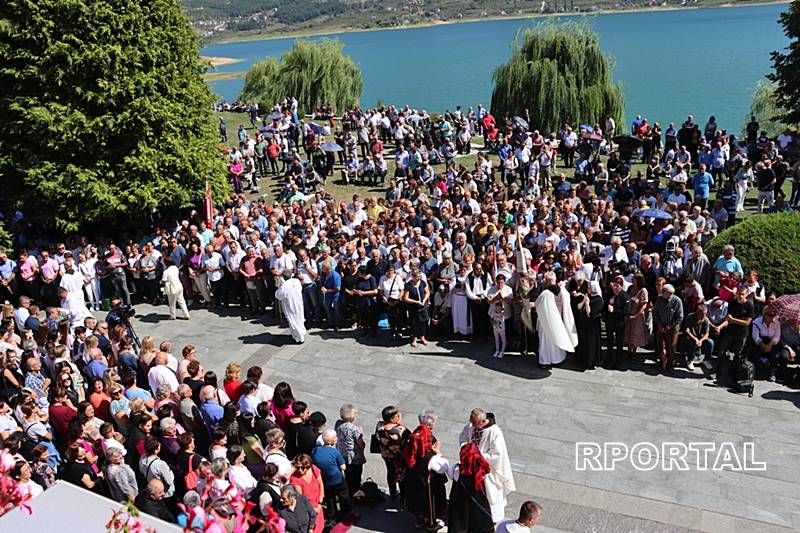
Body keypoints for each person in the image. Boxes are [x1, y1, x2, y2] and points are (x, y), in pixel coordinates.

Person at [459, 408, 515, 523]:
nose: (471, 425)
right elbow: (463, 437)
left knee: (491, 496)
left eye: (474, 423)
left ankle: (492, 518)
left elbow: (497, 455)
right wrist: (467, 449)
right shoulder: (471, 425)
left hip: (488, 471)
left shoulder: (495, 432)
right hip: (472, 466)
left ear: (482, 422)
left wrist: (477, 455)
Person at [403, 409, 448, 531]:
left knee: (417, 501)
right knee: (430, 504)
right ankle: (431, 524)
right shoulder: (429, 457)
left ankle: (419, 519)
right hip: (427, 484)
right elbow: (443, 467)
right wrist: (438, 452)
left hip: (414, 479)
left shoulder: (414, 437)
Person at [534, 272, 578, 368]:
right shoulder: (563, 291)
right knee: (558, 338)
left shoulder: (545, 294)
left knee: (546, 342)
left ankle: (545, 361)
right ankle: (557, 359)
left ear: (546, 281)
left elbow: (538, 305)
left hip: (546, 322)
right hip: (560, 320)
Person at [653, 284, 683, 374]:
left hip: (672, 328)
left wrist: (670, 326)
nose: (661, 293)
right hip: (661, 326)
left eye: (664, 292)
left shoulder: (677, 301)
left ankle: (670, 365)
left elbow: (680, 317)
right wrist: (659, 324)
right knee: (660, 345)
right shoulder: (659, 299)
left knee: (671, 347)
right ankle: (662, 362)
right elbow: (656, 312)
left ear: (669, 293)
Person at [275, 270, 306, 344]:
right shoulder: (296, 281)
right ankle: (299, 334)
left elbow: (278, 295)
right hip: (298, 303)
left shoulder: (284, 286)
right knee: (299, 318)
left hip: (290, 306)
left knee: (293, 321)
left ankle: (299, 338)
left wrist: (279, 285)